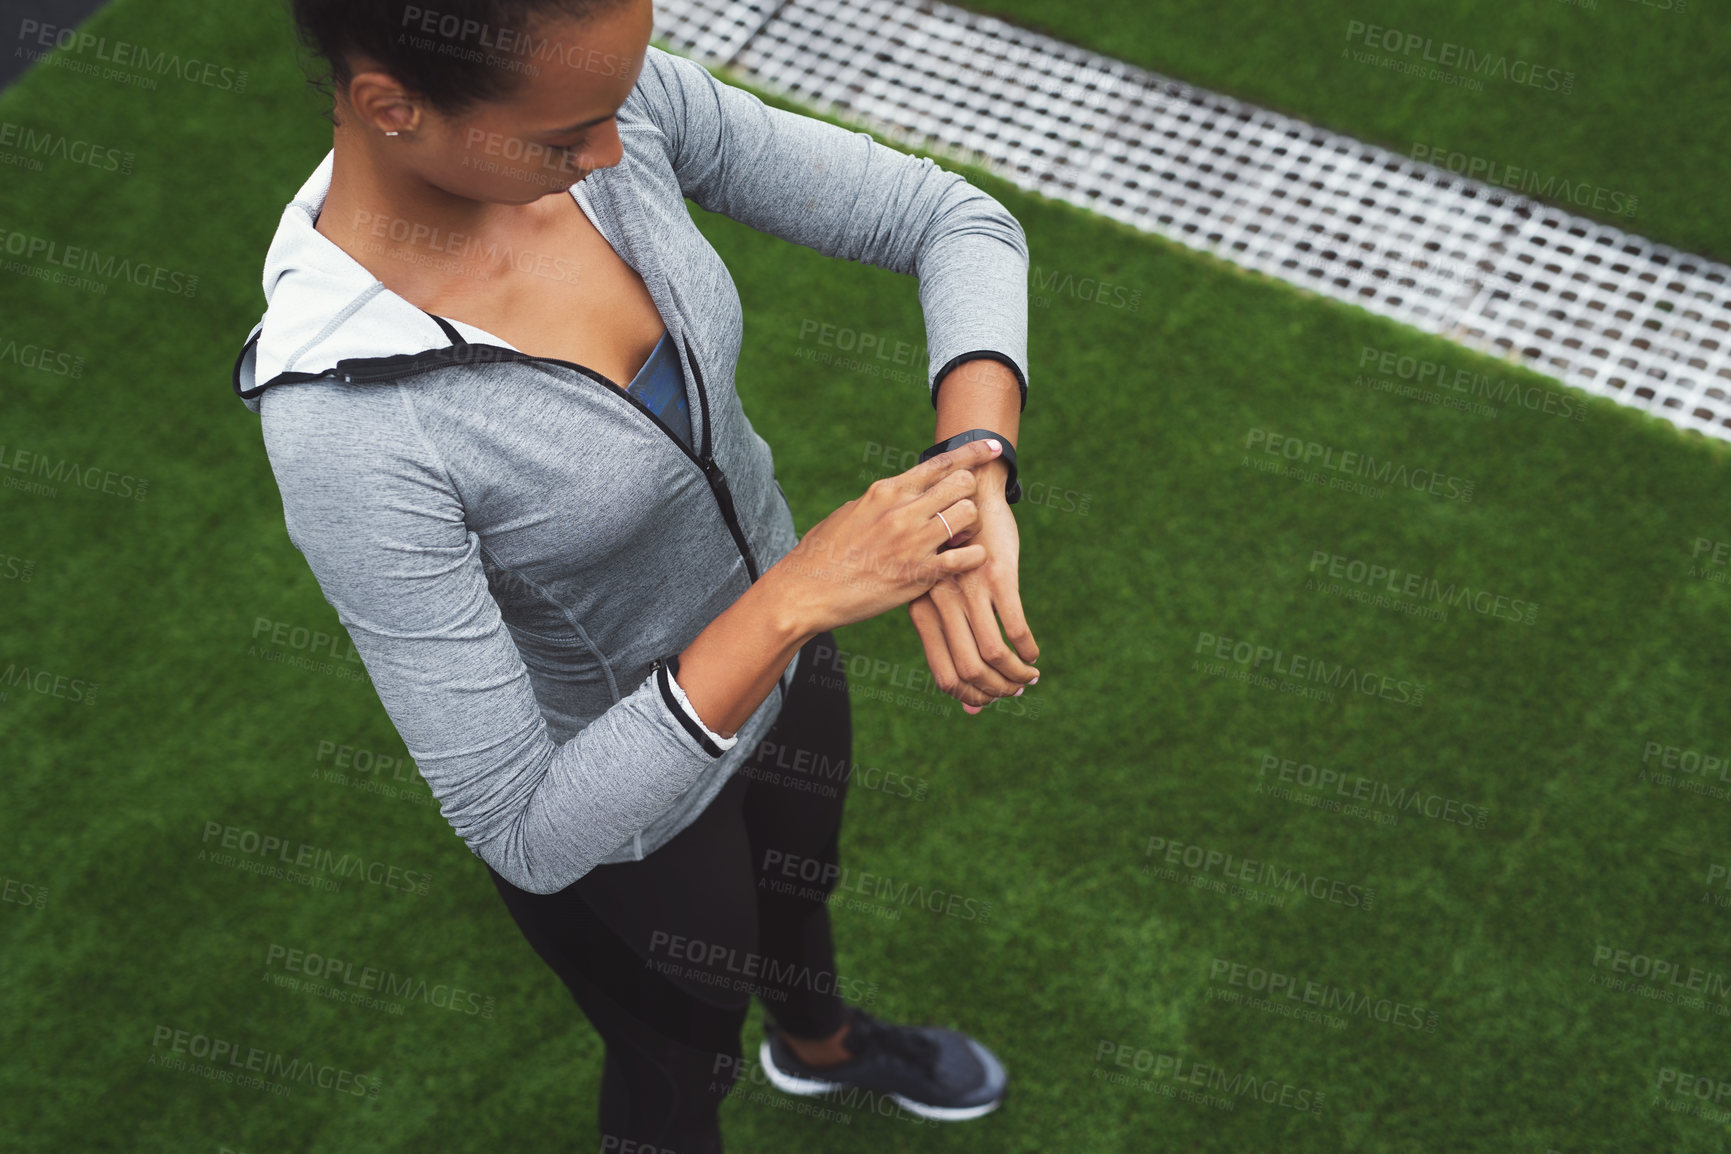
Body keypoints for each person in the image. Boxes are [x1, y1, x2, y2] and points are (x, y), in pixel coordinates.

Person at [233, 0, 1038, 1147]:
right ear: (388, 105)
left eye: (613, 104)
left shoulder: (615, 102)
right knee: (676, 1067)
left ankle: (819, 1046)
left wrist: (974, 462)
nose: (610, 152)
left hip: (789, 661)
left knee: (804, 888)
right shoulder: (347, 431)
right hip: (630, 821)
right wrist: (798, 593)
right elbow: (522, 822)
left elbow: (951, 218)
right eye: (565, 137)